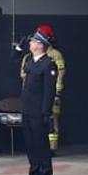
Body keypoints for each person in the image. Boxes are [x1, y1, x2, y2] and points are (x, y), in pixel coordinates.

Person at [19, 31, 60, 175]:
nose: (30, 44)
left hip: (38, 110)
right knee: (30, 145)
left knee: (41, 145)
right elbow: (13, 60)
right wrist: (17, 48)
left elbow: (48, 91)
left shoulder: (48, 64)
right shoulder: (29, 61)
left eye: (33, 41)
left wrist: (46, 112)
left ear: (40, 45)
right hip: (27, 109)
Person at [23, 23, 67, 154]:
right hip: (33, 98)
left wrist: (57, 93)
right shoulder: (30, 57)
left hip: (51, 94)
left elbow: (60, 74)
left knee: (51, 121)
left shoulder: (55, 55)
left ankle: (52, 148)